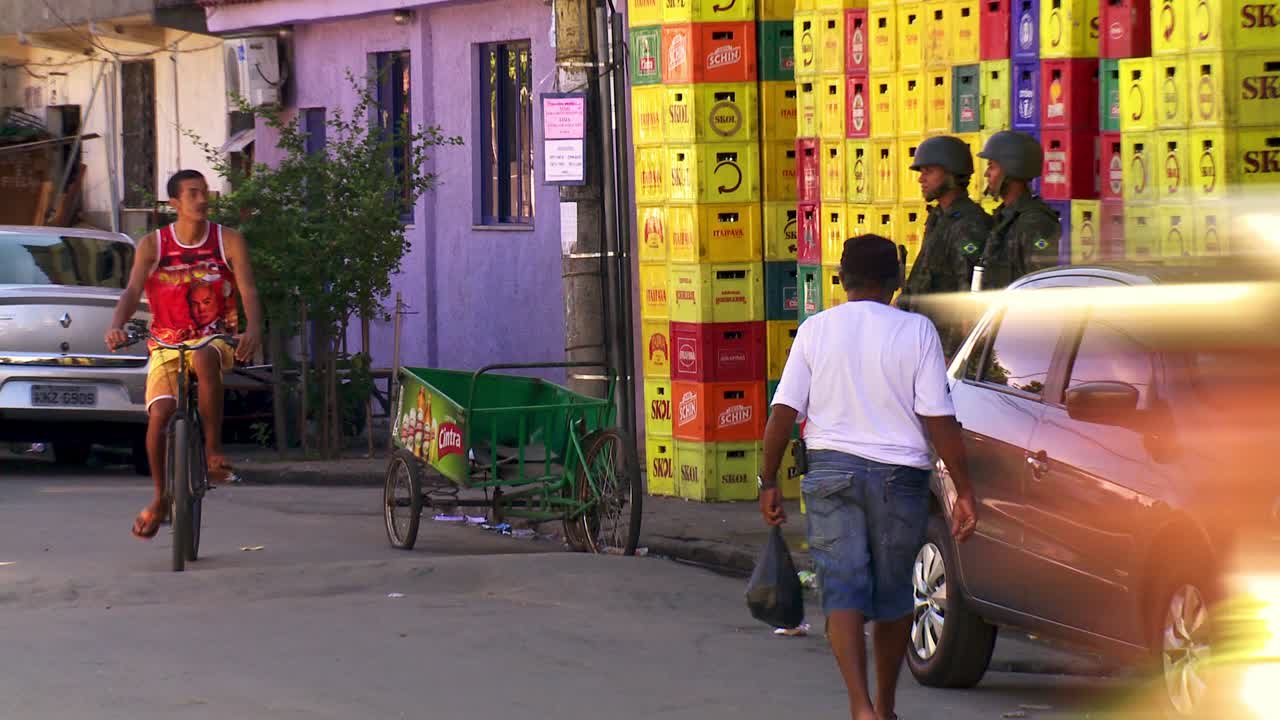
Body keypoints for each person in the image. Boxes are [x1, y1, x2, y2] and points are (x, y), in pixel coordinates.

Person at [758, 235, 979, 720]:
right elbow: (938, 419)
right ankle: (886, 705)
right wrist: (962, 489)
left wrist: (767, 479)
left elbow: (783, 412)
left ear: (841, 280)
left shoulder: (815, 330)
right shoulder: (917, 332)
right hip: (899, 479)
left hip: (831, 472)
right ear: (895, 283)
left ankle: (859, 707)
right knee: (894, 593)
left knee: (843, 590)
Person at [105, 169, 263, 540]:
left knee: (205, 357)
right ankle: (159, 500)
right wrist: (117, 324)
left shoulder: (228, 240)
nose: (202, 199)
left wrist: (253, 328)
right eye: (192, 193)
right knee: (159, 416)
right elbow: (131, 291)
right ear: (174, 203)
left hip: (214, 337)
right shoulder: (153, 245)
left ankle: (212, 452)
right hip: (166, 343)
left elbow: (249, 290)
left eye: (205, 191)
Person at [897, 135, 992, 358]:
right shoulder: (939, 217)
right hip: (924, 341)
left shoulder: (969, 224)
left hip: (946, 351)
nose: (921, 179)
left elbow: (967, 297)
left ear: (951, 174)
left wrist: (954, 356)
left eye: (928, 171)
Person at [973, 130, 1062, 290]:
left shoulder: (1035, 221)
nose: (987, 174)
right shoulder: (1005, 218)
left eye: (991, 167)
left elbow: (1040, 286)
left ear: (1011, 169)